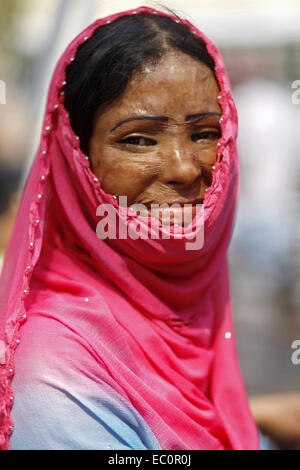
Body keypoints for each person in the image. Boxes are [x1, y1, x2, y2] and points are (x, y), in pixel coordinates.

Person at [0, 6, 262, 450]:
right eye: (138, 139)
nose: (184, 169)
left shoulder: (193, 313)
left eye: (204, 133)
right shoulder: (55, 373)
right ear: (76, 156)